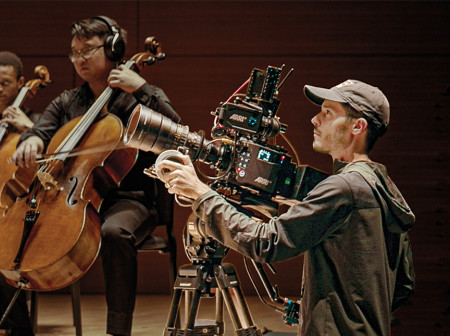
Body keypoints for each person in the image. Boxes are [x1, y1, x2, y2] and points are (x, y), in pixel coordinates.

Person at [156, 79, 415, 335]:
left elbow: (266, 243)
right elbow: (403, 285)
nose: (315, 119)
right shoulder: (382, 186)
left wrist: (201, 194)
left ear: (357, 126)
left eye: (328, 113)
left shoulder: (342, 188)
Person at [10, 17, 180, 336]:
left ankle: (117, 331)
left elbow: (176, 130)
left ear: (113, 49)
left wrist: (141, 89)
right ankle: (18, 328)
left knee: (114, 233)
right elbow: (41, 130)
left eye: (88, 50)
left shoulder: (139, 98)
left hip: (131, 201)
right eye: (74, 53)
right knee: (9, 230)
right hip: (70, 200)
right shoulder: (67, 101)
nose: (80, 59)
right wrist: (31, 140)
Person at [0, 51, 37, 336]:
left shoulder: (38, 121)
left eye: (4, 83)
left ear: (22, 83)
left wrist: (30, 129)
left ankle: (19, 329)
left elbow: (58, 161)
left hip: (27, 209)